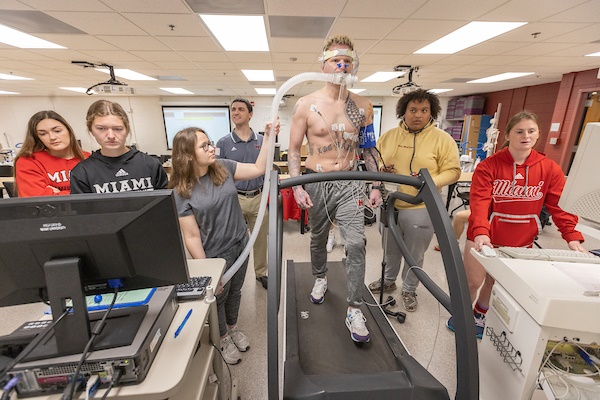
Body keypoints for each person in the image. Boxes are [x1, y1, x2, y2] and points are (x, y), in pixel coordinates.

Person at [447, 111, 586, 338]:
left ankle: (479, 315)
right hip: (484, 235)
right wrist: (481, 231)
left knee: (495, 284)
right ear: (508, 134)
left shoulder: (549, 168)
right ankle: (462, 316)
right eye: (519, 131)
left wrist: (571, 235)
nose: (526, 136)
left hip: (520, 238)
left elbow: (558, 206)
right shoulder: (489, 166)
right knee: (472, 281)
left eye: (531, 131)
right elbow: (480, 202)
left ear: (538, 134)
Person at [289, 35, 381, 343]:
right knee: (317, 237)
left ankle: (355, 307)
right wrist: (296, 187)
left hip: (350, 181)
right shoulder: (306, 104)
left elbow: (369, 149)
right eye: (335, 61)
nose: (342, 66)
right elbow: (292, 149)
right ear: (323, 65)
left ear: (354, 65)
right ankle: (319, 277)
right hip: (316, 180)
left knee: (355, 243)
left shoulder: (363, 106)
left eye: (347, 62)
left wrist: (375, 183)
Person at [169, 120, 278, 365]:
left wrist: (269, 135)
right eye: (204, 145)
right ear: (187, 155)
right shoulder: (181, 192)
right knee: (218, 294)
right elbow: (192, 236)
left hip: (241, 243)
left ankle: (233, 327)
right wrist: (208, 270)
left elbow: (260, 168)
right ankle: (223, 337)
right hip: (215, 254)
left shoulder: (224, 168)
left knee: (235, 292)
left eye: (210, 142)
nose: (211, 148)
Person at [368, 89, 460, 313]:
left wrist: (428, 182)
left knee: (414, 252)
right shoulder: (389, 136)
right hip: (391, 205)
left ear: (432, 112)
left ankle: (409, 289)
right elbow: (376, 163)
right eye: (413, 110)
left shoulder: (442, 139)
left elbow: (453, 171)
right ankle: (389, 280)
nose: (418, 115)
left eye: (424, 110)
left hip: (421, 206)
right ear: (403, 111)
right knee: (389, 248)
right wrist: (383, 169)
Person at [216, 98, 269, 290]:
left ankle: (261, 273)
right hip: (234, 199)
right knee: (232, 240)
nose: (235, 112)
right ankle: (230, 272)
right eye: (233, 109)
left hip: (258, 197)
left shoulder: (262, 141)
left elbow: (268, 167)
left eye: (240, 109)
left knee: (261, 238)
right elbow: (218, 174)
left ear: (250, 114)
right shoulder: (222, 142)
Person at [70, 100, 168, 193]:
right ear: (91, 130)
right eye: (101, 129)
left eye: (117, 129)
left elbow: (166, 205)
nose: (111, 136)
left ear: (127, 129)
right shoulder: (82, 172)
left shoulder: (150, 165)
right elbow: (82, 210)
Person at [14, 110, 90, 197]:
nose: (52, 137)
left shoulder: (88, 158)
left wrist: (54, 193)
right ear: (38, 138)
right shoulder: (29, 161)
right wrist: (82, 192)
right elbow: (36, 201)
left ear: (68, 131)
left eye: (57, 131)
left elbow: (100, 194)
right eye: (43, 134)